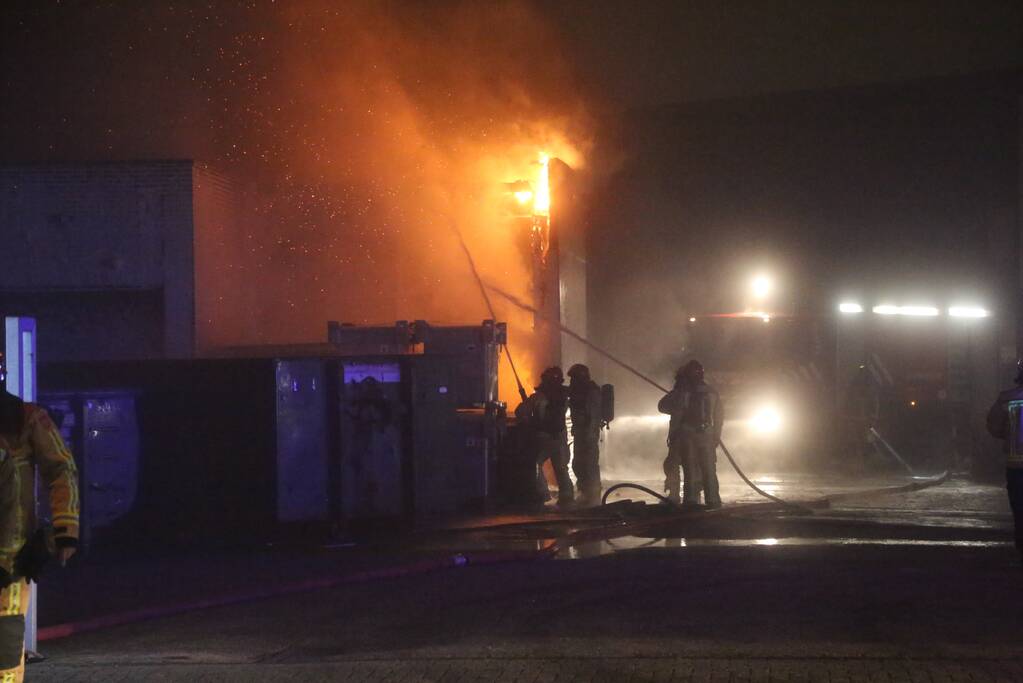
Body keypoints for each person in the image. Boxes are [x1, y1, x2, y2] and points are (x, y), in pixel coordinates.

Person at [0, 354, 80, 682]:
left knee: (5, 656)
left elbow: (61, 469)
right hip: (11, 561)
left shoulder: (25, 418)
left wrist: (65, 530)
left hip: (10, 565)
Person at [658, 360, 723, 508]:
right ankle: (713, 501)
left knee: (691, 468)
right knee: (709, 469)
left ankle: (691, 501)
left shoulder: (682, 393)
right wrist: (716, 435)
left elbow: (666, 408)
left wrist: (673, 434)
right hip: (707, 434)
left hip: (687, 435)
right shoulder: (712, 392)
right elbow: (719, 417)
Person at [515, 367, 574, 506]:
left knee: (535, 463)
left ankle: (542, 494)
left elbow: (520, 411)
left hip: (543, 437)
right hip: (559, 437)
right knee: (561, 468)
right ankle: (567, 496)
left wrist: (529, 422)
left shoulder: (539, 397)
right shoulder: (564, 397)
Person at [985, 359, 1023, 566]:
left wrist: (1009, 435)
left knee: (1019, 508)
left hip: (1016, 467)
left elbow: (993, 426)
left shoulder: (1006, 399)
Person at [567, 364, 603, 506]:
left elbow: (593, 415)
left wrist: (589, 432)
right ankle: (585, 492)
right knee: (579, 464)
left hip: (588, 434)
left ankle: (593, 495)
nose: (571, 382)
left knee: (589, 464)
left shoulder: (591, 392)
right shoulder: (580, 391)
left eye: (573, 378)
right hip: (581, 433)